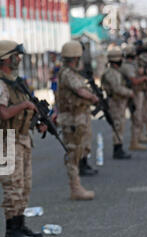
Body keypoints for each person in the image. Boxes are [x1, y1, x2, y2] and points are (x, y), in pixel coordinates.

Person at [0, 40, 45, 237]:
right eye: (16, 55)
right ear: (6, 58)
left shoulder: (16, 81)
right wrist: (25, 105)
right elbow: (3, 113)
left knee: (24, 185)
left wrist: (37, 122)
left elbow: (25, 111)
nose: (19, 58)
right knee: (12, 185)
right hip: (8, 140)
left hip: (22, 138)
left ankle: (20, 224)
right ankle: (11, 230)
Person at [57, 40, 99, 201]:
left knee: (78, 150)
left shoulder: (71, 72)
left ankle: (77, 186)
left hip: (77, 117)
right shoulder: (67, 73)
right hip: (72, 120)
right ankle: (75, 188)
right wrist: (93, 97)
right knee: (73, 153)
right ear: (76, 57)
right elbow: (80, 91)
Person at [100, 48, 134, 159]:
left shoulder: (115, 72)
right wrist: (130, 93)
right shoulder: (111, 73)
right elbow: (117, 89)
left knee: (120, 125)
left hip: (119, 102)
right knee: (118, 125)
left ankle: (119, 147)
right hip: (115, 102)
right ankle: (117, 149)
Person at [121, 44, 147, 152]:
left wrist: (144, 72)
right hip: (134, 94)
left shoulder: (130, 64)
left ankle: (138, 138)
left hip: (135, 93)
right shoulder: (127, 66)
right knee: (137, 117)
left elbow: (137, 70)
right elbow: (134, 80)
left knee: (138, 116)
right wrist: (144, 78)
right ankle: (134, 142)